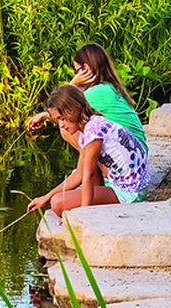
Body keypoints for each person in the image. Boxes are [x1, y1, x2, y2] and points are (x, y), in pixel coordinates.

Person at [27, 84, 151, 215]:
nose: (61, 125)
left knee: (58, 203)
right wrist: (45, 197)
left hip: (131, 192)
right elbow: (80, 174)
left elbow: (88, 176)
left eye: (62, 119)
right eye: (57, 120)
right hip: (130, 184)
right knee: (56, 200)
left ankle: (93, 208)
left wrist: (83, 214)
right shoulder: (90, 125)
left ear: (74, 110)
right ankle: (97, 201)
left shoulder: (94, 131)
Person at [26, 43, 146, 149]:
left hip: (131, 152)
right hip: (135, 149)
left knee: (68, 128)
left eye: (77, 71)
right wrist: (44, 116)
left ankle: (91, 170)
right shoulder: (108, 87)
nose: (76, 74)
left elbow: (64, 110)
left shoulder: (98, 92)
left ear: (86, 70)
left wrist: (73, 84)